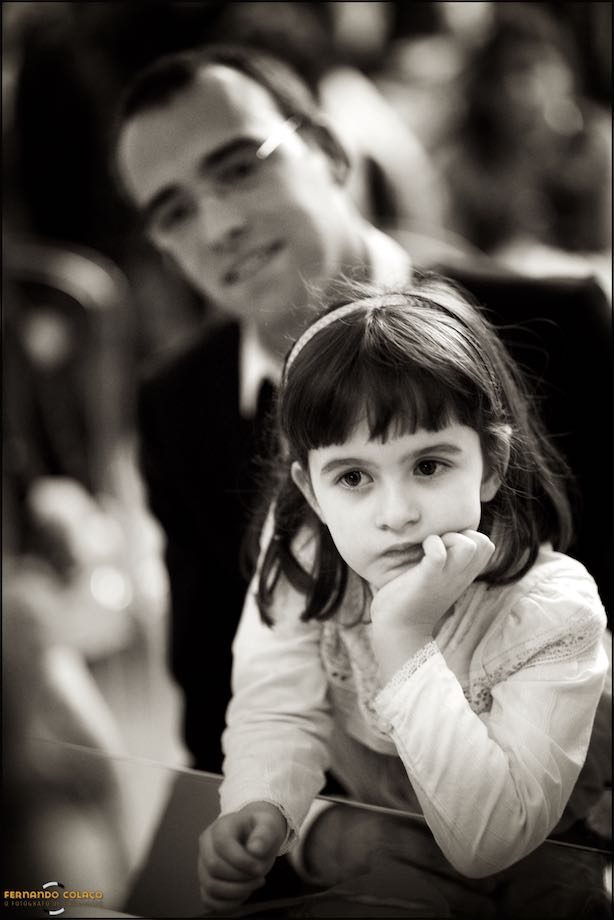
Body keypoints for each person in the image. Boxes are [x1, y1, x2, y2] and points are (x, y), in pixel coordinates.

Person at [112, 42, 611, 781]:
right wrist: (319, 835)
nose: (217, 228)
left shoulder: (552, 328)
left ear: (327, 150)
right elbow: (212, 699)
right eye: (174, 212)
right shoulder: (179, 408)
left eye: (240, 168)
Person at [197, 278, 609, 916]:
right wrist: (262, 804)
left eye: (428, 465)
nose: (397, 514)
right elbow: (277, 710)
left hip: (560, 847)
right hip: (403, 845)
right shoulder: (305, 565)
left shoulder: (551, 607)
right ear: (310, 491)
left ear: (491, 464)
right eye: (354, 477)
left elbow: (492, 839)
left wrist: (403, 639)